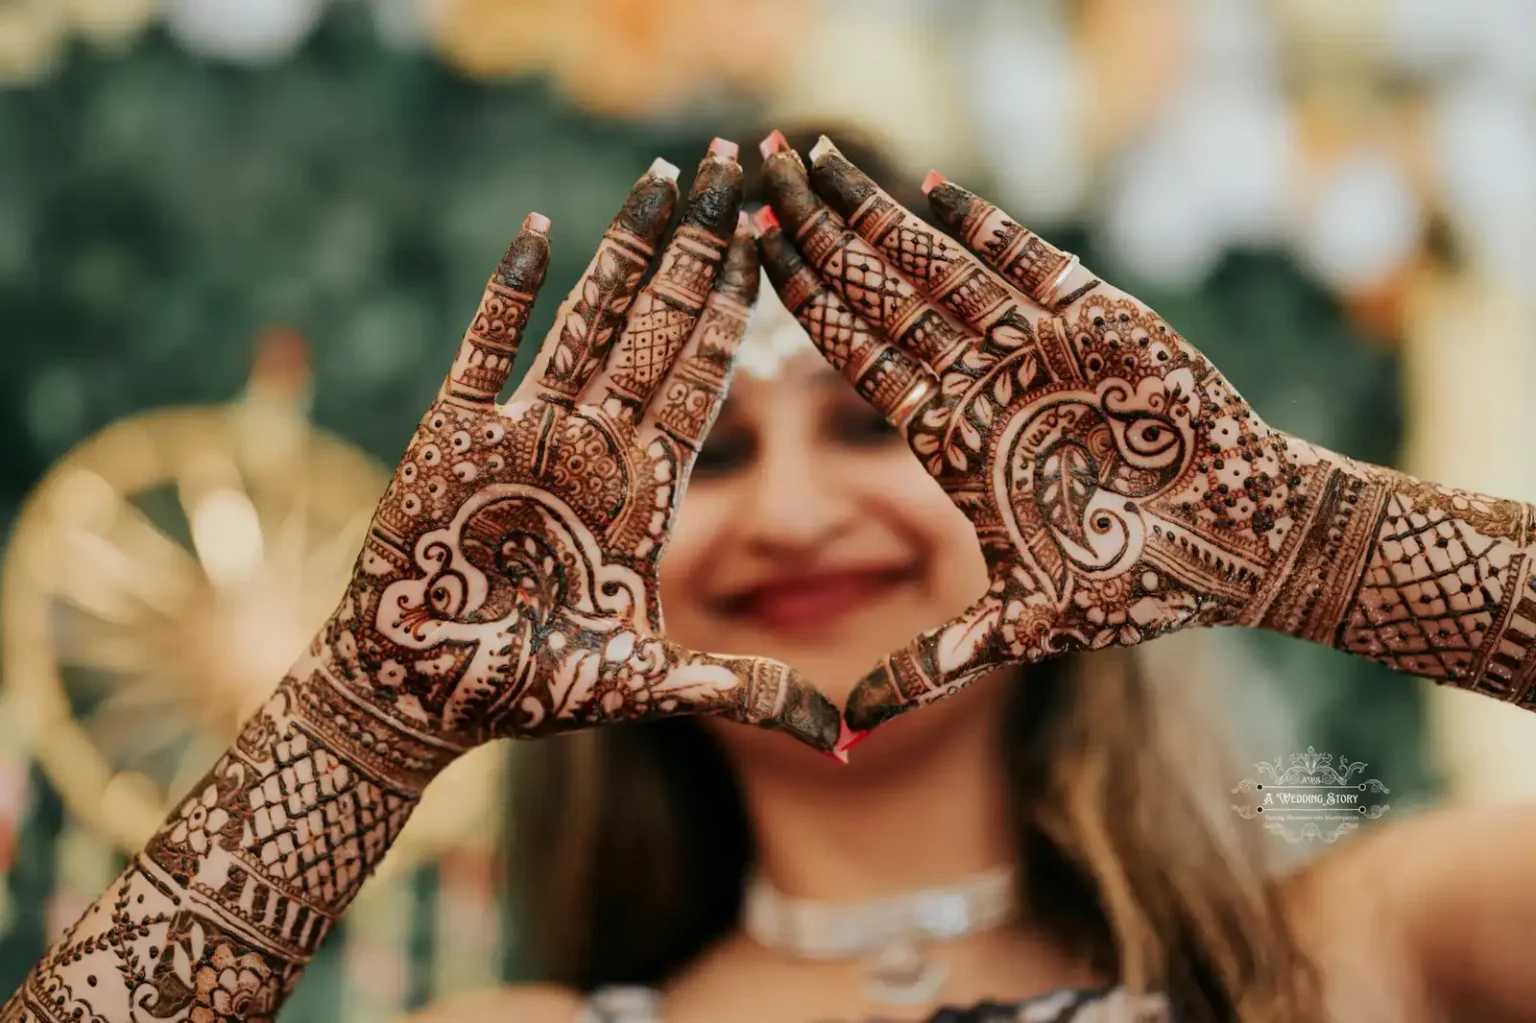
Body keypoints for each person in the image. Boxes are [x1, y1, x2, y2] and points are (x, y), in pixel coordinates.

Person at [6, 127, 1536, 1023]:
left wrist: (1317, 546)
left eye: (871, 430)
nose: (796, 508)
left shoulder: (1354, 954)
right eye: (712, 463)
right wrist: (361, 716)